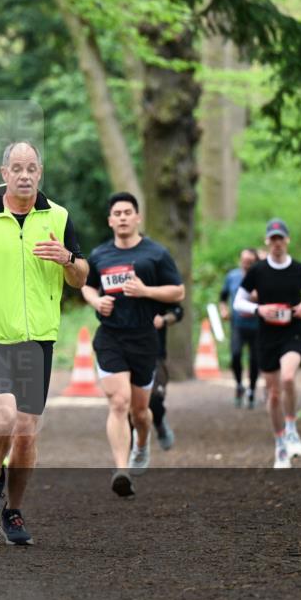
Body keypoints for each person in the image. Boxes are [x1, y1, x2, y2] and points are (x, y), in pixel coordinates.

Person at [0, 141, 88, 545]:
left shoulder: (58, 217)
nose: (24, 175)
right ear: (3, 172)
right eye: (16, 168)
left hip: (38, 339)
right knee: (3, 418)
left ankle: (15, 511)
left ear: (40, 172)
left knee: (26, 433)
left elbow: (81, 275)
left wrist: (67, 259)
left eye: (31, 168)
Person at [81, 193, 185, 497]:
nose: (123, 217)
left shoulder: (156, 254)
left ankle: (142, 442)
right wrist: (97, 300)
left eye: (128, 212)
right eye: (118, 213)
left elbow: (177, 292)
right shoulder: (99, 255)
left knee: (141, 412)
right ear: (110, 220)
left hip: (144, 339)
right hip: (111, 337)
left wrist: (146, 290)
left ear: (137, 218)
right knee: (118, 402)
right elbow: (86, 286)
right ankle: (121, 469)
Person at [233, 218, 301, 469]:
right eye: (273, 239)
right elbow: (238, 302)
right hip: (267, 336)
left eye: (280, 238)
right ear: (267, 242)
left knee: (289, 379)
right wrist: (259, 309)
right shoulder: (258, 271)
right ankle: (281, 445)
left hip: (292, 332)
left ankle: (292, 427)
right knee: (273, 395)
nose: (277, 243)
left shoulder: (299, 269)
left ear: (287, 240)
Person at [219, 248, 260, 409]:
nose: (246, 264)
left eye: (250, 262)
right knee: (235, 355)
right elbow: (223, 297)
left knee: (255, 360)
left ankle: (251, 390)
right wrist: (223, 309)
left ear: (255, 263)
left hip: (257, 326)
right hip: (237, 324)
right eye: (244, 261)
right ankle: (238, 385)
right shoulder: (232, 276)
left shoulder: (261, 277)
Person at [149, 302, 184, 450]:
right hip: (125, 350)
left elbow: (178, 311)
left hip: (155, 352)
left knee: (154, 398)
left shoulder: (159, 283)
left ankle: (159, 421)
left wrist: (163, 319)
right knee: (125, 401)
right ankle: (129, 453)